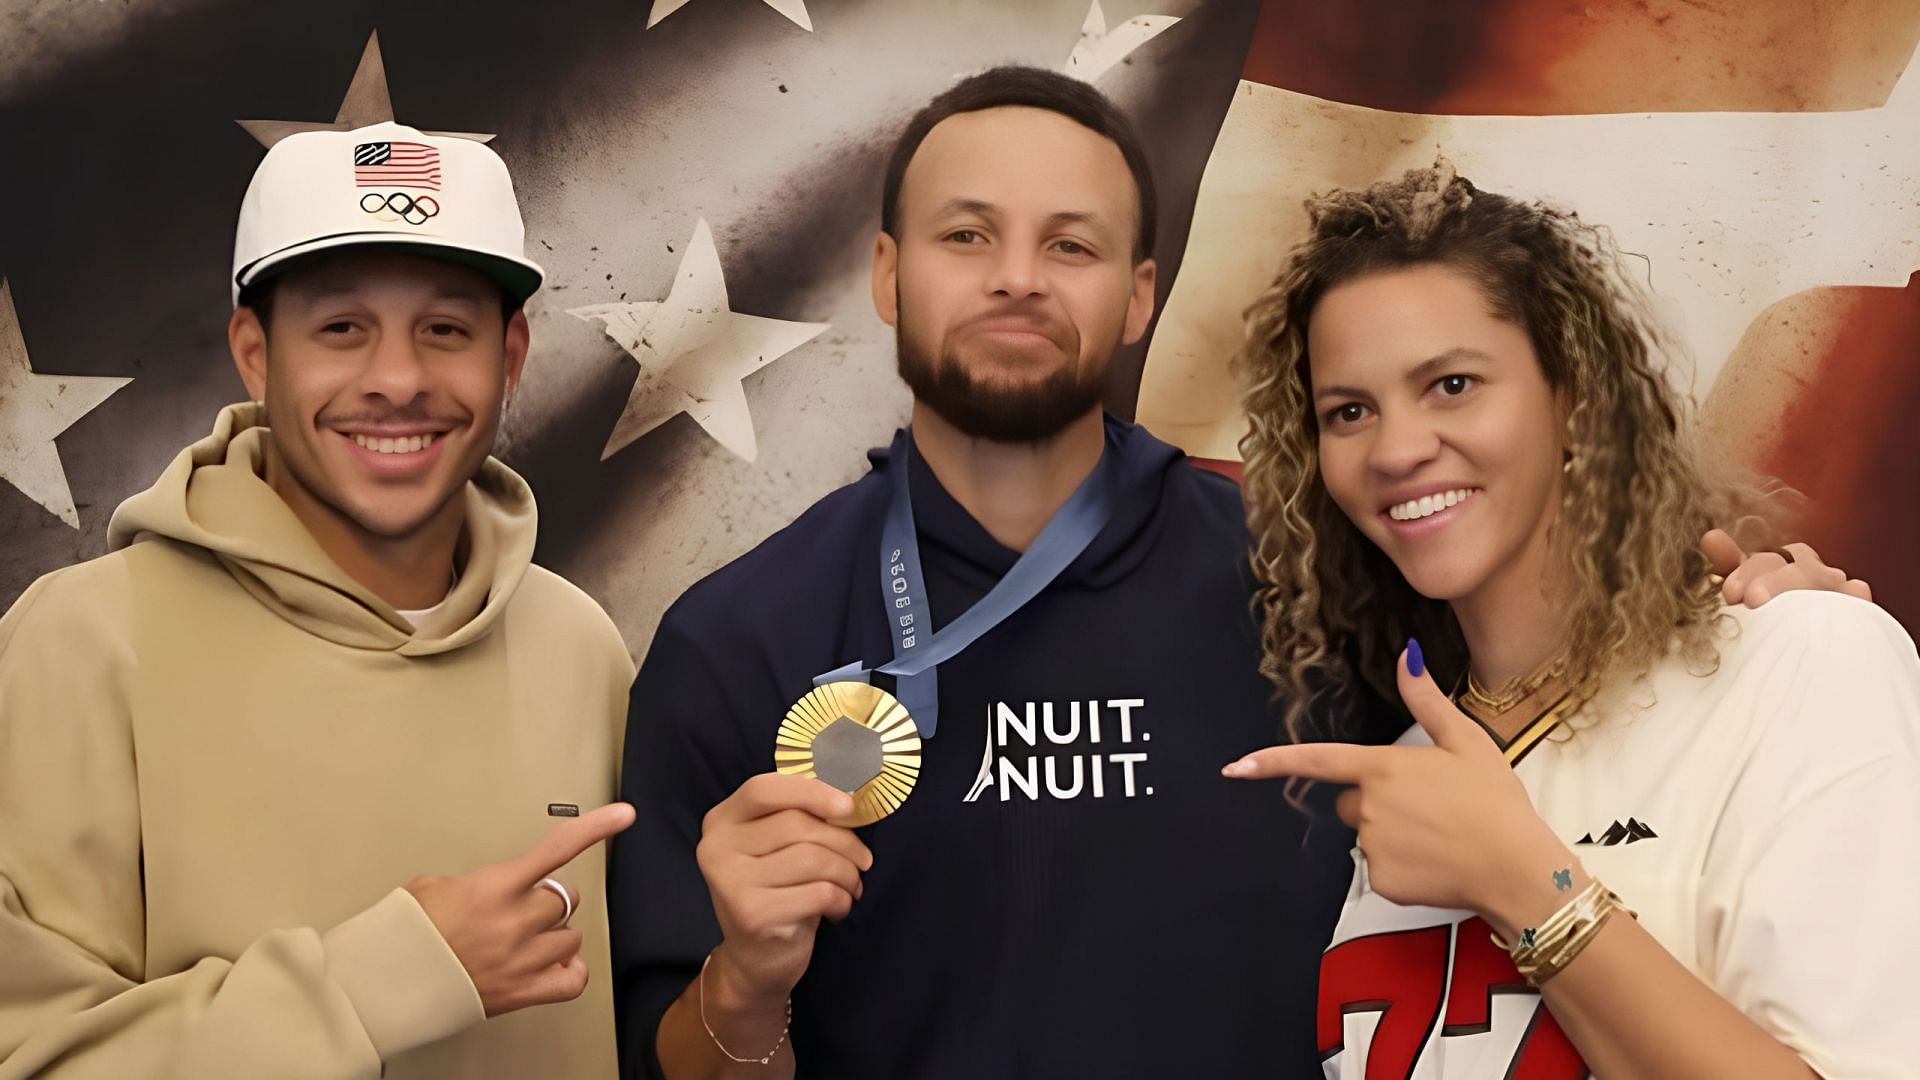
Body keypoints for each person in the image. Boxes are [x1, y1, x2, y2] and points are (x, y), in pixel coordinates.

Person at [605, 71, 1846, 1079]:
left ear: (1142, 295)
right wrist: (745, 985)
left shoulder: (1329, 574)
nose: (1018, 277)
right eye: (966, 235)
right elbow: (683, 1066)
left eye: (1072, 243)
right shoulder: (734, 638)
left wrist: (1755, 614)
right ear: (886, 273)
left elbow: (1567, 633)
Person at [1224, 160, 1919, 1078]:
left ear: (1576, 398)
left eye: (1453, 385)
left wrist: (1524, 883)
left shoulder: (1803, 659)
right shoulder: (1407, 771)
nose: (1395, 449)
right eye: (1349, 411)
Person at [0, 122, 635, 1079]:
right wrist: (383, 982)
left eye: (446, 330)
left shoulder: (580, 646)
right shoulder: (85, 640)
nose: (397, 380)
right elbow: (28, 1056)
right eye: (341, 328)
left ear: (509, 358)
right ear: (256, 355)